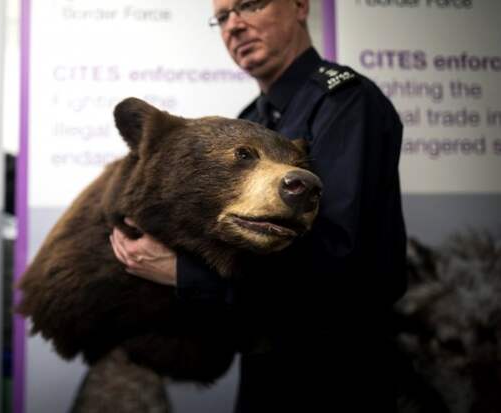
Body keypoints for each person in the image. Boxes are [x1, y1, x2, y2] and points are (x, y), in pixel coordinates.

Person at [110, 0, 407, 411]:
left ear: (300, 6)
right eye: (222, 17)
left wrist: (186, 274)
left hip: (334, 373)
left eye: (249, 5)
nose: (234, 26)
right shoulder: (249, 119)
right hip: (263, 366)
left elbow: (340, 258)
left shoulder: (344, 103)